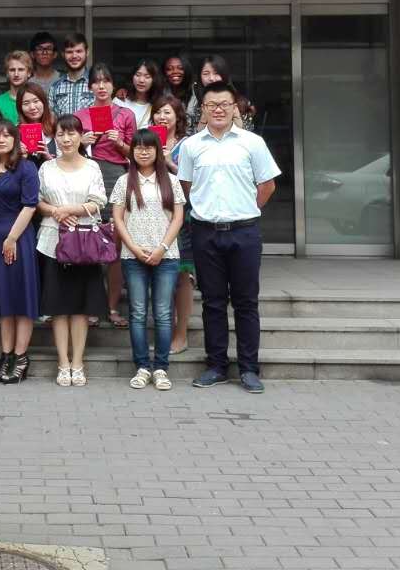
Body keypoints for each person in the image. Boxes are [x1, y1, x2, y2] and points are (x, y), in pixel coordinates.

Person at [177, 81, 281, 394]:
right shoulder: (192, 146)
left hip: (244, 232)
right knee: (212, 302)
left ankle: (249, 369)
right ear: (203, 110)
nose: (218, 109)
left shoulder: (252, 143)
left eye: (224, 104)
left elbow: (268, 185)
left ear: (234, 107)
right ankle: (216, 366)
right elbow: (187, 186)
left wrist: (246, 209)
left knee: (246, 302)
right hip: (205, 232)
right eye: (212, 105)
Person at [111, 127, 186, 391]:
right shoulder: (124, 181)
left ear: (157, 151)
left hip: (167, 256)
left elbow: (178, 217)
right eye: (139, 147)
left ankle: (161, 368)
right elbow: (118, 218)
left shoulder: (171, 181)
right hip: (133, 256)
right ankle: (142, 367)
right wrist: (133, 247)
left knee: (164, 313)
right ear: (132, 151)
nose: (144, 152)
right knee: (138, 312)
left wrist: (162, 248)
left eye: (149, 147)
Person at [36, 115, 107, 387]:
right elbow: (37, 201)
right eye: (60, 134)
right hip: (52, 241)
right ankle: (63, 363)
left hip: (85, 243)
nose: (66, 139)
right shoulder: (47, 168)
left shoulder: (92, 167)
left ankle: (77, 362)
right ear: (54, 138)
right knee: (58, 307)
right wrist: (57, 211)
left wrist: (71, 210)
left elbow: (99, 200)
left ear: (80, 136)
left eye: (71, 134)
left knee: (80, 307)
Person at [0, 119, 40, 385]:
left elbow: (30, 205)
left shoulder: (26, 167)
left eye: (6, 135)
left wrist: (12, 238)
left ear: (15, 139)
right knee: (5, 301)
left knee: (21, 299)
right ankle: (5, 355)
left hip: (18, 236)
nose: (1, 140)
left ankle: (21, 357)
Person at [74, 62, 137, 330]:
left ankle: (111, 306)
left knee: (114, 244)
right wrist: (81, 142)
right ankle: (90, 307)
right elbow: (67, 150)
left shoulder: (126, 114)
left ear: (113, 85)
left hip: (116, 176)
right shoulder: (80, 115)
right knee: (86, 241)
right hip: (86, 175)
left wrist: (119, 142)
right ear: (89, 86)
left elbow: (136, 153)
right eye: (96, 81)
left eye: (106, 81)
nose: (101, 86)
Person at [152, 95, 196, 354]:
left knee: (182, 275)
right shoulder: (147, 140)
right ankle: (164, 334)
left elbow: (195, 180)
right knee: (159, 275)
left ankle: (181, 335)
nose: (162, 117)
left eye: (167, 112)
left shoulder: (188, 144)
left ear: (177, 117)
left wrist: (168, 161)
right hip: (153, 215)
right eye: (158, 112)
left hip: (183, 215)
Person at [189, 54, 255, 131]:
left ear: (224, 76)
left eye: (216, 73)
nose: (211, 78)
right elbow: (190, 134)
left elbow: (247, 134)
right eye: (206, 74)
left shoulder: (240, 103)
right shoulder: (193, 103)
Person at [50, 32, 93, 116]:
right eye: (69, 52)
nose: (74, 56)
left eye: (79, 51)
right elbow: (52, 120)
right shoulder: (55, 87)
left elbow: (104, 118)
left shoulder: (97, 84)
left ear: (87, 52)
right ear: (63, 54)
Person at [16, 82, 57, 164]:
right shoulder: (15, 133)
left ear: (44, 102)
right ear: (20, 107)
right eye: (26, 103)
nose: (32, 107)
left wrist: (49, 158)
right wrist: (19, 157)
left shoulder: (57, 128)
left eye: (36, 101)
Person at [119, 58, 164, 129]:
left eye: (147, 77)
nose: (141, 80)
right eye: (138, 75)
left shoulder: (160, 106)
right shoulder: (120, 102)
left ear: (154, 80)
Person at [0, 50, 32, 123]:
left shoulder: (36, 101)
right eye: (12, 70)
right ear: (7, 73)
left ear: (29, 73)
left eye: (21, 70)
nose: (16, 74)